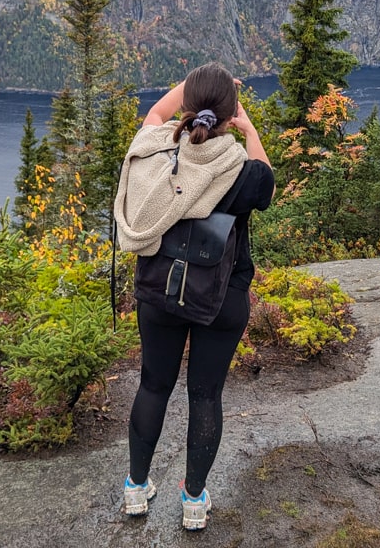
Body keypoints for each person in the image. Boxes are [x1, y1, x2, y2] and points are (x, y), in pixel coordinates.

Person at [112, 62, 274, 531]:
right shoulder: (239, 170)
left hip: (159, 292)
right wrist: (247, 125)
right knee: (206, 395)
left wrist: (187, 89)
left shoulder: (155, 152)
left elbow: (154, 116)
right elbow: (266, 176)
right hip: (222, 297)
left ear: (186, 108)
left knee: (153, 386)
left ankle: (137, 490)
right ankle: (194, 500)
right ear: (228, 117)